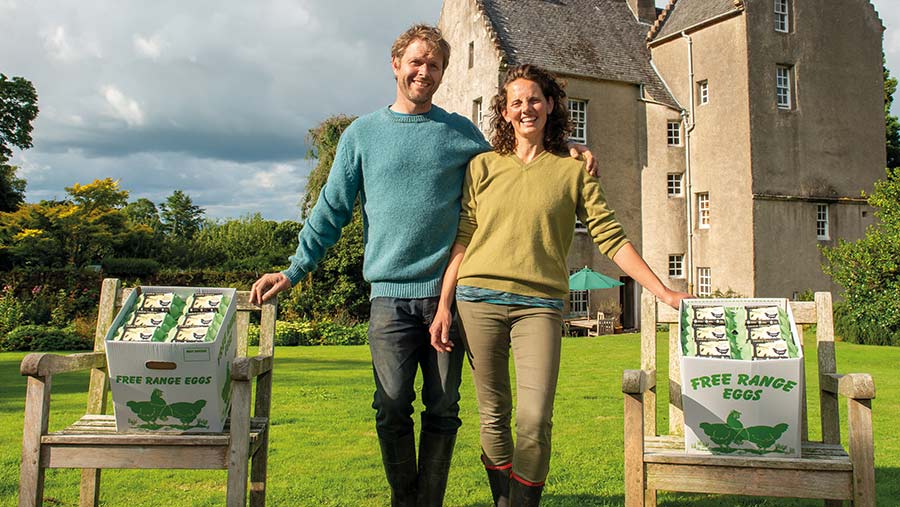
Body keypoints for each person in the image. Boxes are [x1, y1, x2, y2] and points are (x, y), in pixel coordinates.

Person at [250, 27, 597, 507]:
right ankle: (406, 498)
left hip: (445, 299)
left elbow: (516, 161)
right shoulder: (363, 135)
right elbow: (331, 210)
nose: (423, 72)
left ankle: (427, 501)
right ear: (396, 64)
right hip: (388, 298)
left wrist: (567, 153)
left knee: (443, 409)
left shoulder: (459, 133)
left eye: (433, 66)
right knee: (391, 406)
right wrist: (292, 270)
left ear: (441, 74)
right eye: (415, 62)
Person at [429, 64, 691, 507]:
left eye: (534, 99)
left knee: (534, 420)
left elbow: (611, 236)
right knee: (493, 415)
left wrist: (663, 291)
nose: (525, 108)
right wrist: (444, 304)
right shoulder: (482, 167)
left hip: (540, 305)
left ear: (550, 105)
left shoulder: (573, 171)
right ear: (505, 112)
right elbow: (463, 236)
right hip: (477, 300)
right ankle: (503, 502)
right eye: (516, 102)